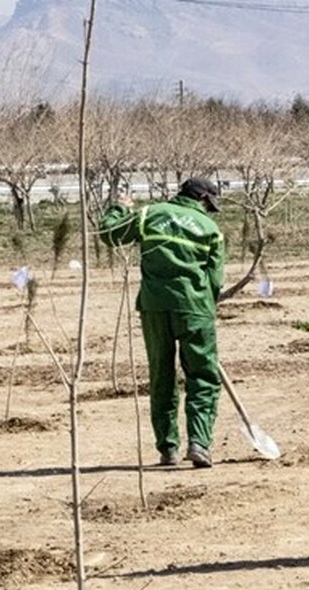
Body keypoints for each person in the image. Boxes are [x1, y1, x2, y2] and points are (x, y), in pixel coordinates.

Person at [99, 178, 226, 468]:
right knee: (203, 377)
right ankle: (199, 443)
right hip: (195, 309)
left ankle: (168, 449)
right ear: (202, 198)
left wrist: (119, 207)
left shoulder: (149, 215)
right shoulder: (210, 229)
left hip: (154, 307)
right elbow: (216, 280)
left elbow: (110, 234)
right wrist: (205, 307)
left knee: (162, 376)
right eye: (210, 204)